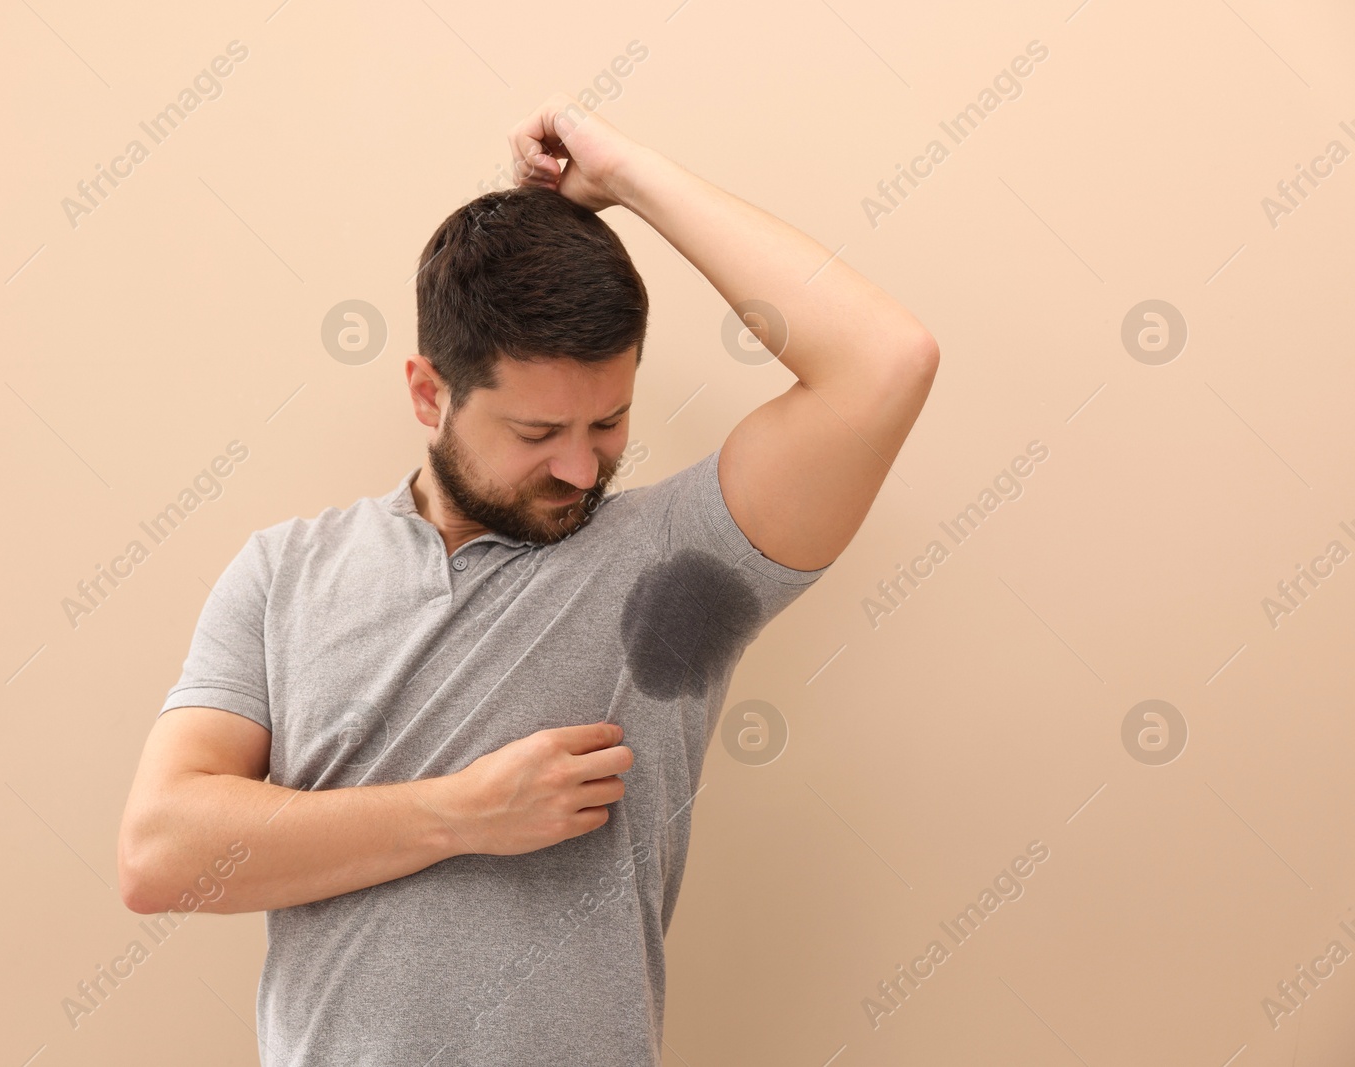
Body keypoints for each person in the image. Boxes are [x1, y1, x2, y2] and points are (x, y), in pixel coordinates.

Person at [117, 92, 938, 1066]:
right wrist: (461, 811)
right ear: (429, 392)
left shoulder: (673, 568)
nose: (583, 469)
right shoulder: (284, 571)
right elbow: (161, 852)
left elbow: (885, 362)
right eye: (539, 433)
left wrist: (624, 174)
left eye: (609, 422)